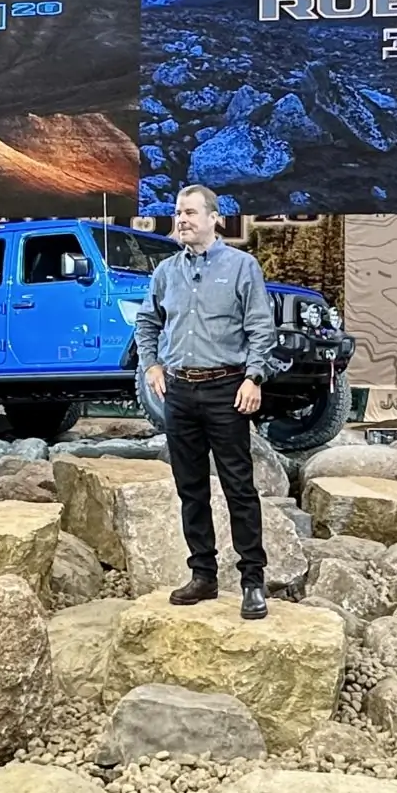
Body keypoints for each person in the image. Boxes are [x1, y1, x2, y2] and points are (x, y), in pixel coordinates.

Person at [134, 184, 278, 619]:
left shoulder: (241, 267)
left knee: (239, 487)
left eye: (191, 213)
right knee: (190, 487)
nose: (182, 220)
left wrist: (254, 377)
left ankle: (253, 579)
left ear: (215, 218)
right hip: (179, 392)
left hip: (226, 391)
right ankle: (203, 575)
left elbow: (260, 328)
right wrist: (151, 365)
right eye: (178, 213)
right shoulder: (165, 273)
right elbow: (146, 321)